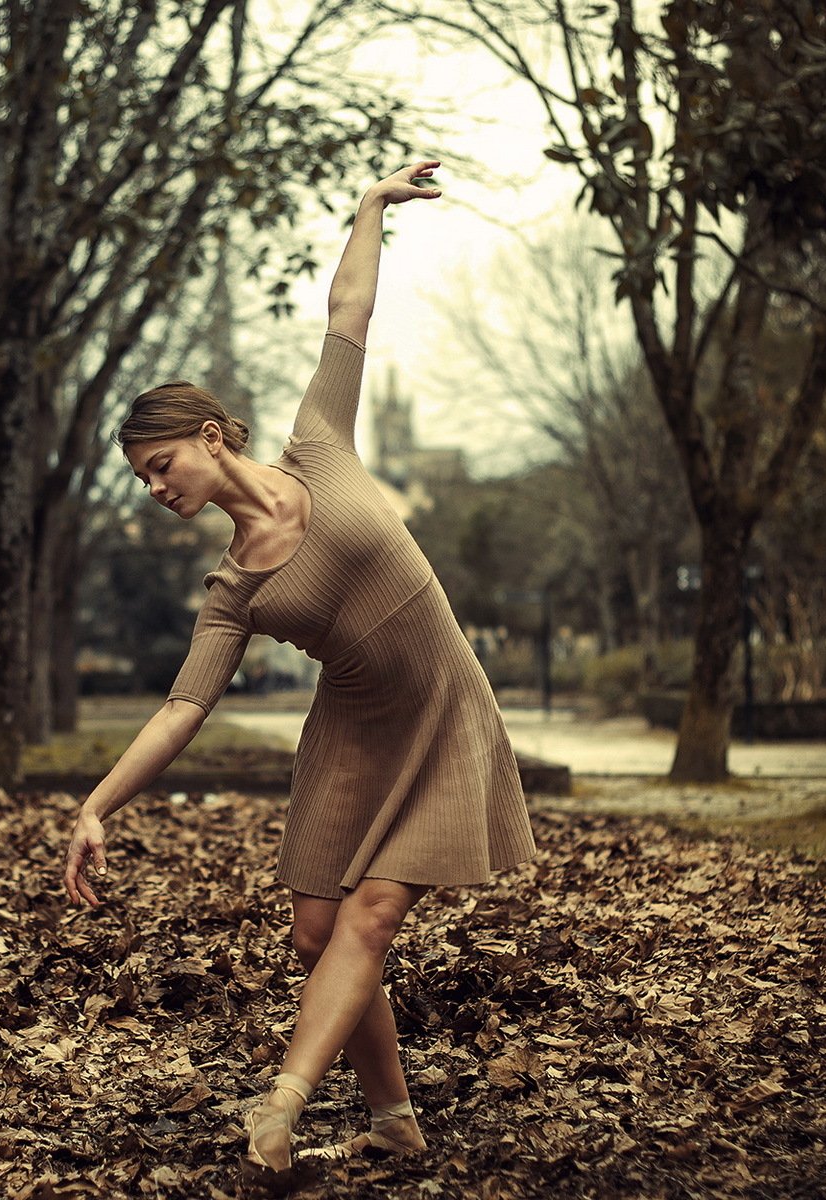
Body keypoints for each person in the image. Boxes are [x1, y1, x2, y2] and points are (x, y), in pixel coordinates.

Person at [60, 161, 538, 1182]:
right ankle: (395, 1121)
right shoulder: (232, 589)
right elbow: (183, 710)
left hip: (443, 709)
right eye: (141, 480)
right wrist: (98, 806)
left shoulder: (318, 444)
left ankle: (278, 1103)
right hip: (352, 732)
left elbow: (347, 312)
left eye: (160, 467)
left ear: (210, 434)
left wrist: (370, 206)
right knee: (315, 930)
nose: (154, 490)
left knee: (368, 915)